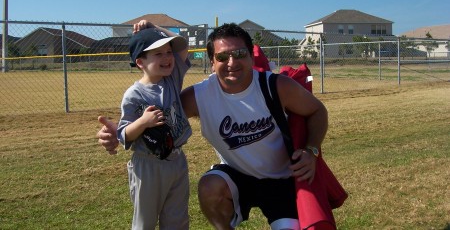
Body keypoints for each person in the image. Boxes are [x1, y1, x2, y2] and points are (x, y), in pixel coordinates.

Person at [98, 23, 328, 230]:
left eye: (239, 54)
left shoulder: (275, 86)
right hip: (238, 178)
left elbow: (318, 111)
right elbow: (160, 118)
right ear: (211, 62)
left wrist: (311, 150)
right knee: (209, 186)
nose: (232, 63)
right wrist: (117, 132)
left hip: (281, 180)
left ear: (250, 56)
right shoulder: (199, 96)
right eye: (222, 56)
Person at [113, 21, 192, 230]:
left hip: (176, 160)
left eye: (168, 52)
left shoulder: (172, 79)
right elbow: (124, 134)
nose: (167, 58)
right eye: (158, 54)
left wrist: (154, 27)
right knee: (145, 222)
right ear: (140, 62)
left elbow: (182, 47)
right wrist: (143, 122)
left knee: (177, 220)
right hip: (148, 164)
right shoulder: (134, 94)